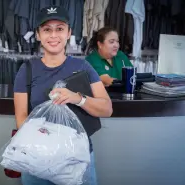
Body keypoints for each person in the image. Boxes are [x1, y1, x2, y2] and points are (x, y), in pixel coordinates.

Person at [13, 6, 113, 185]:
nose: (53, 35)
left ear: (68, 33)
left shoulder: (83, 67)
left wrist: (78, 98)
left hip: (78, 159)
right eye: (47, 30)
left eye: (59, 29)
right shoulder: (27, 70)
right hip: (38, 158)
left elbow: (107, 109)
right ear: (38, 35)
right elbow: (21, 118)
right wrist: (44, 141)